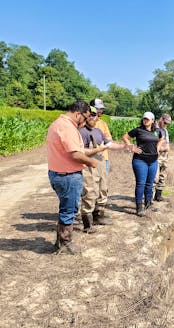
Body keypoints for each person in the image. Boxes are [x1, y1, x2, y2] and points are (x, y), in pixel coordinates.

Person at [46, 99, 97, 255]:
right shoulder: (67, 127)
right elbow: (75, 154)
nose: (85, 121)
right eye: (85, 117)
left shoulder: (57, 124)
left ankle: (59, 241)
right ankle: (65, 243)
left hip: (58, 173)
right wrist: (91, 162)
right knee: (69, 209)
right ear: (77, 114)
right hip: (68, 175)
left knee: (65, 207)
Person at [79, 106, 127, 233]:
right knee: (90, 192)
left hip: (100, 164)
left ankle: (98, 217)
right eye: (90, 115)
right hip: (88, 166)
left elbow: (109, 144)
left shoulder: (98, 131)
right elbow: (80, 151)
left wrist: (124, 146)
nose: (92, 117)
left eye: (94, 115)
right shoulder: (82, 132)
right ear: (85, 116)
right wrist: (97, 150)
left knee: (103, 189)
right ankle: (87, 225)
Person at [122, 112, 164, 217]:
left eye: (148, 119)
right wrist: (132, 148)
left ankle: (148, 203)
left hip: (153, 161)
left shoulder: (157, 131)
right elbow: (125, 137)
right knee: (141, 183)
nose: (145, 120)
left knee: (150, 184)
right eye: (144, 119)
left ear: (153, 121)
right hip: (140, 160)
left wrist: (158, 148)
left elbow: (161, 139)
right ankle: (139, 206)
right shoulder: (138, 130)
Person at [89, 99, 113, 173]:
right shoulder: (84, 122)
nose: (101, 111)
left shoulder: (103, 123)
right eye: (99, 108)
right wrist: (103, 140)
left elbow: (110, 138)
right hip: (89, 158)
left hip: (104, 158)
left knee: (103, 182)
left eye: (102, 109)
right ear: (91, 108)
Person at [154, 113, 172, 202]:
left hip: (165, 156)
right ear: (161, 119)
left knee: (162, 176)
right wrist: (163, 148)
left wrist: (167, 148)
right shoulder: (154, 129)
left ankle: (158, 195)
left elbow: (167, 143)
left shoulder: (165, 130)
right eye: (165, 122)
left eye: (167, 124)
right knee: (155, 177)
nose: (165, 125)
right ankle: (148, 198)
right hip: (157, 157)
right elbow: (153, 144)